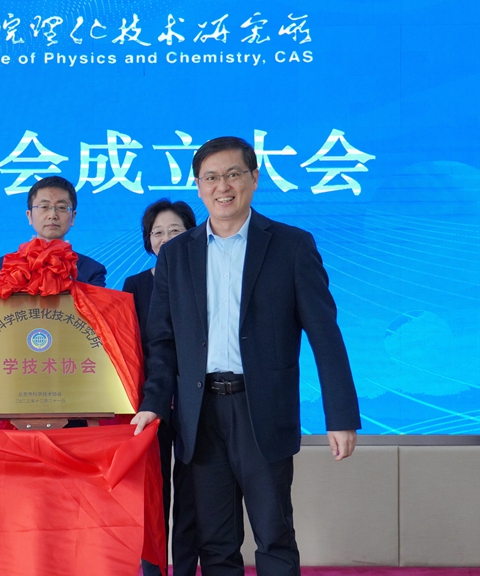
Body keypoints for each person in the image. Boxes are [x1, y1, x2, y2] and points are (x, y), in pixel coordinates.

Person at [132, 137, 361, 576]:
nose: (223, 186)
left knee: (274, 536)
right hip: (199, 417)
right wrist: (154, 403)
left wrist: (341, 415)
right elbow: (162, 342)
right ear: (199, 187)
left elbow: (325, 334)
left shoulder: (291, 246)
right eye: (211, 178)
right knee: (215, 543)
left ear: (254, 178)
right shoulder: (177, 255)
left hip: (263, 410)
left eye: (233, 174)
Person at [122, 199, 198, 576]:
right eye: (158, 232)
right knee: (152, 497)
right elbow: (130, 346)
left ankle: (184, 569)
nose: (166, 238)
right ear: (148, 240)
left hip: (196, 404)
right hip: (148, 405)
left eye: (175, 231)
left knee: (191, 497)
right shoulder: (135, 285)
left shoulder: (205, 282)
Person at [0, 175, 107, 288]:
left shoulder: (93, 270)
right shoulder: (4, 265)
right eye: (44, 207)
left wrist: (66, 265)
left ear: (73, 217)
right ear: (29, 216)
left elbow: (93, 301)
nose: (52, 215)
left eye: (61, 207)